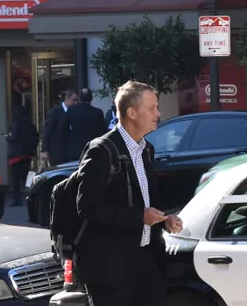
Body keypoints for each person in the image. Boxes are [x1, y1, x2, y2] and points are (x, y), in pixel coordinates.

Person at [74, 80, 182, 306]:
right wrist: (139, 216)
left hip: (146, 260)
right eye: (152, 109)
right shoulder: (101, 150)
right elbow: (88, 207)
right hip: (111, 268)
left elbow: (148, 200)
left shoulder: (146, 149)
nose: (158, 114)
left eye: (157, 107)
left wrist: (164, 219)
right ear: (131, 112)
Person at [5, 104, 39, 206]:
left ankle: (17, 199)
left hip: (17, 154)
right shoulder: (29, 124)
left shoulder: (17, 123)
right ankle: (32, 192)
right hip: (27, 154)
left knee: (16, 179)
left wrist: (7, 137)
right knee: (25, 176)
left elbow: (14, 138)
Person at [66, 88, 108, 160]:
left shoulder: (71, 111)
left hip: (75, 149)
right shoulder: (97, 112)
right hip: (92, 149)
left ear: (79, 98)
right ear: (91, 98)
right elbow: (102, 132)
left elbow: (65, 128)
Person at [40, 90, 78, 165]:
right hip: (56, 151)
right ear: (67, 99)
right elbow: (47, 130)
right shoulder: (55, 111)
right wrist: (44, 149)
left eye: (77, 100)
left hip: (70, 151)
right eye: (74, 100)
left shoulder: (75, 112)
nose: (76, 103)